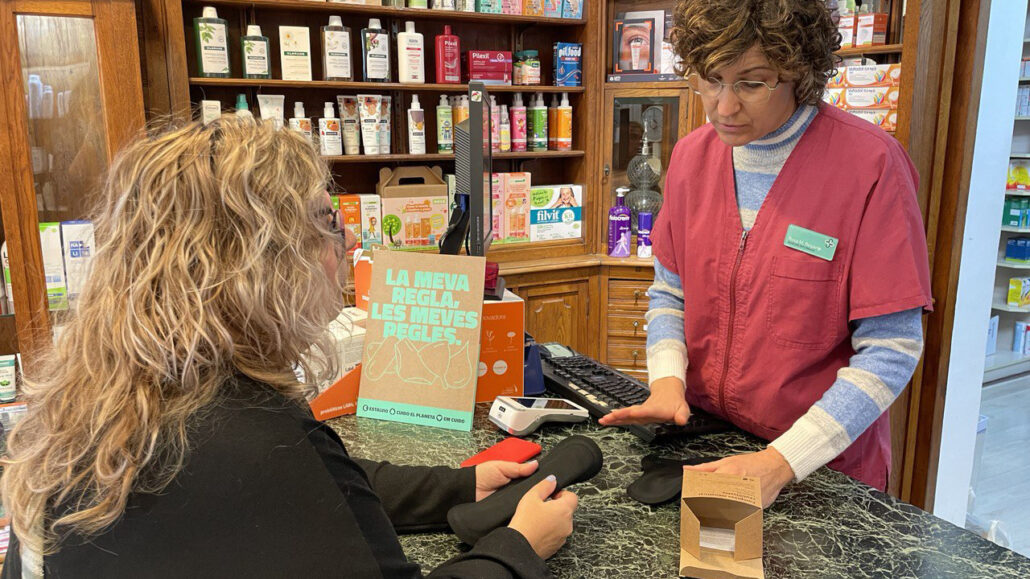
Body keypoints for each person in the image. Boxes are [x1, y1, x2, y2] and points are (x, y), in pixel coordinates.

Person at [0, 116, 576, 578]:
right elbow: (291, 479)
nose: (343, 245)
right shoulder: (255, 437)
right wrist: (517, 548)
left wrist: (461, 485)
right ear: (261, 259)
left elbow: (323, 486)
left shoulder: (110, 401)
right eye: (328, 222)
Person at [601, 0, 932, 507]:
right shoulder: (691, 157)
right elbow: (671, 292)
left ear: (800, 71)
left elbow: (892, 348)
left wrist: (783, 461)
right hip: (709, 440)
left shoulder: (870, 166)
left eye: (751, 83)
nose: (723, 107)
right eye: (710, 79)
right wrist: (668, 380)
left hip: (819, 463)